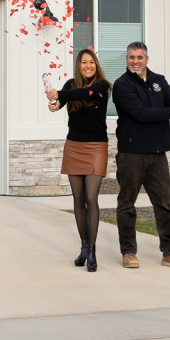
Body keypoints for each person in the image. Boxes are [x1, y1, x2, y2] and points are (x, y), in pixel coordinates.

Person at [111, 41, 170, 270]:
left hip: (157, 154)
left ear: (147, 59)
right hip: (131, 153)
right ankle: (128, 251)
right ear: (127, 60)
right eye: (131, 57)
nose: (135, 61)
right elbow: (139, 113)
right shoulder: (121, 85)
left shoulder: (159, 80)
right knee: (127, 204)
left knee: (164, 204)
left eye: (139, 57)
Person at [46, 48, 110, 272]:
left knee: (91, 198)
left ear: (96, 64)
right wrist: (54, 103)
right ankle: (83, 247)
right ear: (78, 65)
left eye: (91, 62)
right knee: (78, 198)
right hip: (73, 146)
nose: (88, 66)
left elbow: (85, 94)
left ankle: (92, 251)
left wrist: (60, 95)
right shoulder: (70, 85)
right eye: (84, 63)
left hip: (96, 147)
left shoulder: (102, 85)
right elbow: (60, 105)